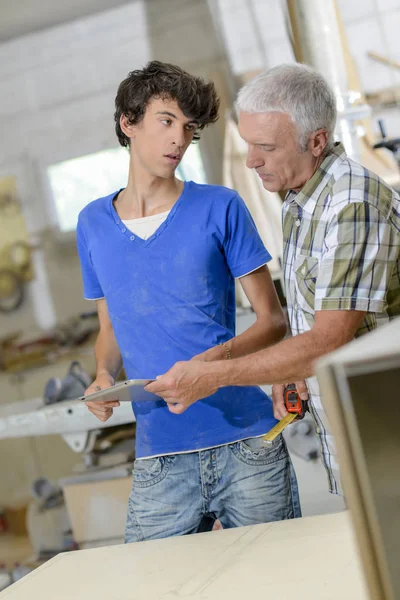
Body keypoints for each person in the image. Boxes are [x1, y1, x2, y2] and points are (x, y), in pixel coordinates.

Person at [147, 63, 400, 496]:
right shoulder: (299, 200)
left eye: (265, 146)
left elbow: (327, 342)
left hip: (388, 435)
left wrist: (215, 375)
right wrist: (293, 368)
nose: (250, 161)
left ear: (316, 141)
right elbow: (314, 322)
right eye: (248, 144)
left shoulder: (351, 204)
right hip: (352, 437)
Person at [76, 61, 301, 543]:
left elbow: (272, 322)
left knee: (279, 581)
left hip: (248, 444)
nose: (178, 139)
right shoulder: (92, 224)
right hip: (159, 456)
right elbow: (110, 327)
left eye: (188, 128)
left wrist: (210, 367)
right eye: (165, 121)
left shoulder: (220, 206)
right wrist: (103, 375)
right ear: (128, 123)